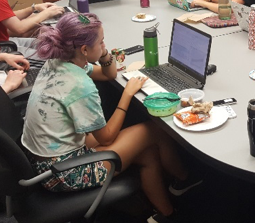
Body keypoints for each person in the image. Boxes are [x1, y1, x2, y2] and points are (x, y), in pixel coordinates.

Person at [21, 13, 200, 223]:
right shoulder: (79, 84)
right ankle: (185, 179)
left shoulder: (60, 61)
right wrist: (127, 95)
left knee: (148, 151)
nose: (105, 44)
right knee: (155, 130)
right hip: (63, 173)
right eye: (101, 41)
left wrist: (103, 52)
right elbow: (106, 138)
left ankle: (166, 213)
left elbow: (109, 75)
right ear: (84, 50)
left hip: (49, 157)